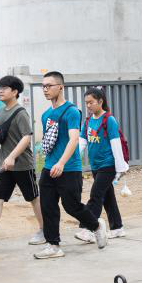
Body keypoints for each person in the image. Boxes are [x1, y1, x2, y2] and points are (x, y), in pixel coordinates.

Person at [33, 71, 105, 259]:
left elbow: (74, 139)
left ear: (60, 87)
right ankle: (53, 245)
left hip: (69, 168)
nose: (45, 89)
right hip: (49, 167)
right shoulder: (46, 115)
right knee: (48, 206)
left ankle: (96, 225)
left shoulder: (72, 111)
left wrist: (61, 163)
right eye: (43, 86)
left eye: (49, 86)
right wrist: (50, 162)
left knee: (71, 206)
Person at [0, 75, 44, 251]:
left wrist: (12, 156)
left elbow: (27, 137)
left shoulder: (21, 113)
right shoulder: (2, 111)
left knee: (33, 198)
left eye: (4, 88)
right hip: (4, 165)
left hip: (23, 166)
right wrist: (6, 159)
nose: (0, 91)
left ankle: (45, 230)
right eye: (0, 88)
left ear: (15, 92)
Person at [78, 87, 129, 240]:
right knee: (107, 197)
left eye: (91, 102)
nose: (88, 106)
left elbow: (116, 144)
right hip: (95, 165)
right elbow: (82, 142)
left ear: (100, 102)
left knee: (96, 195)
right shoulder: (88, 121)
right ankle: (117, 227)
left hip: (108, 165)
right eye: (86, 103)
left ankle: (88, 229)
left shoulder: (109, 120)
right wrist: (68, 159)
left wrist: (120, 168)